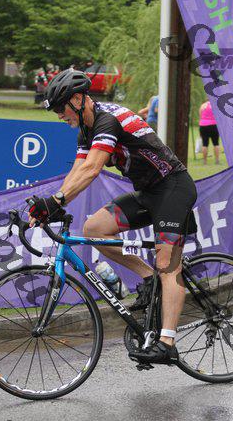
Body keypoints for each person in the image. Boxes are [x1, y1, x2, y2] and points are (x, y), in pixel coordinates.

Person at [28, 69, 198, 365]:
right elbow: (78, 170)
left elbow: (93, 169)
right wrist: (54, 203)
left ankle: (167, 342)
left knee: (168, 265)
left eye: (60, 108)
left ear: (78, 100)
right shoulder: (86, 129)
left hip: (173, 188)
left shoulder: (107, 120)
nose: (59, 115)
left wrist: (56, 201)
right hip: (147, 193)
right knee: (94, 228)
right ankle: (148, 279)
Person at [198, 100, 220, 165]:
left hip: (203, 125)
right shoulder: (216, 106)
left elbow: (200, 116)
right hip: (214, 125)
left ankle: (205, 161)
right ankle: (217, 160)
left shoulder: (203, 105)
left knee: (205, 144)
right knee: (216, 143)